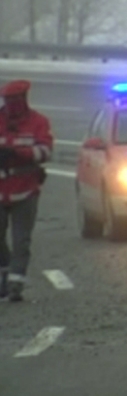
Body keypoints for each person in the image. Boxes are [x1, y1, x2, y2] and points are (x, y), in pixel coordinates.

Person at [0, 80, 52, 303]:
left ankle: (15, 284)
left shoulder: (38, 122)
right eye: (8, 101)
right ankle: (4, 274)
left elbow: (45, 151)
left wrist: (19, 153)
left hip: (25, 191)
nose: (12, 105)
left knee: (22, 240)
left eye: (16, 100)